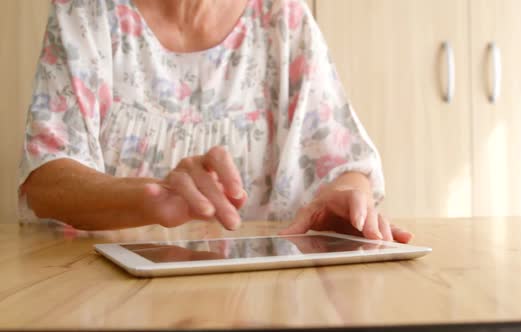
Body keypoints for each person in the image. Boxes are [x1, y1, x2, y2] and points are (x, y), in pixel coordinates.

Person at [18, 0, 412, 243]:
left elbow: (344, 164)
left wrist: (346, 194)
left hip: (259, 298)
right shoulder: (88, 11)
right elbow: (46, 180)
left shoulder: (282, 19)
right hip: (98, 295)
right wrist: (152, 196)